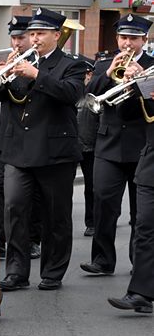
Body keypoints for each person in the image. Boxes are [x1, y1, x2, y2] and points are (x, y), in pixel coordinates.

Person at [0, 8, 87, 292]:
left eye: (40, 33)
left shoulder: (72, 64)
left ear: (57, 36)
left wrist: (35, 74)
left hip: (54, 151)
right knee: (15, 209)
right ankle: (17, 272)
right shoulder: (19, 61)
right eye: (31, 33)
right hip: (18, 150)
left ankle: (52, 272)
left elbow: (71, 94)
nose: (33, 39)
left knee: (55, 214)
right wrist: (2, 74)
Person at [81, 15, 153, 275]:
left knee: (140, 212)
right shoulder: (103, 64)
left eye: (133, 38)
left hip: (141, 145)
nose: (127, 43)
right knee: (103, 204)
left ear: (144, 39)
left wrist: (142, 79)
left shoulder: (152, 65)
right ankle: (102, 260)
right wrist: (111, 73)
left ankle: (139, 263)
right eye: (124, 37)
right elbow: (92, 98)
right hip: (108, 145)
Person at [0, 16, 43, 260]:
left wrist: (30, 73)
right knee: (1, 189)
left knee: (32, 193)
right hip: (6, 135)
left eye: (21, 37)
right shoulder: (10, 61)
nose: (17, 43)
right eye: (13, 38)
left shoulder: (39, 65)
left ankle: (32, 238)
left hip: (33, 138)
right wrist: (2, 73)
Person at [108, 63, 154, 314]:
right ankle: (140, 294)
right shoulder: (151, 77)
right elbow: (126, 115)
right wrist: (133, 84)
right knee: (145, 227)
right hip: (150, 163)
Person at [77, 62, 98, 237]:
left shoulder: (95, 94)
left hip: (91, 148)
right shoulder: (72, 92)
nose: (84, 77)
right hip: (71, 147)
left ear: (90, 75)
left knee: (91, 187)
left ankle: (91, 222)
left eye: (86, 74)